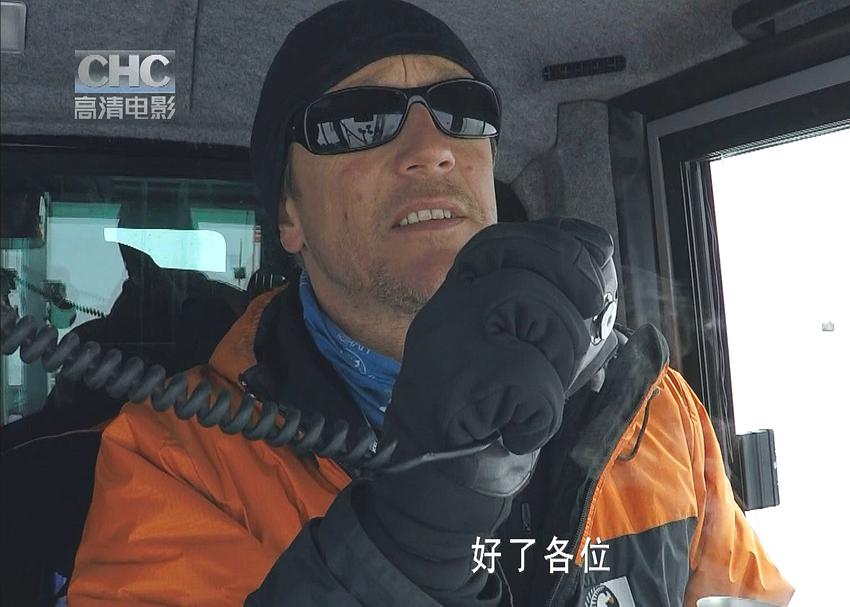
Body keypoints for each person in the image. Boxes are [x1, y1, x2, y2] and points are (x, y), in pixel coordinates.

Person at [68, 1, 794, 605]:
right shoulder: (172, 461)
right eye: (357, 120)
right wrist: (401, 544)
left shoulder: (653, 410)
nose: (432, 146)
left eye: (461, 110)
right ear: (288, 215)